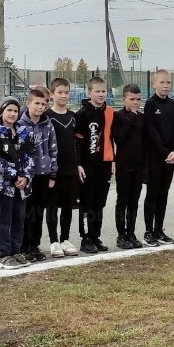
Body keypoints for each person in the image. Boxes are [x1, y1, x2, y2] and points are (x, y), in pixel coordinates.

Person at [0, 97, 34, 269]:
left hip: (22, 186)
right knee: (5, 220)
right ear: (2, 112)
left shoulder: (24, 132)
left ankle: (16, 251)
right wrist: (14, 176)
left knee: (19, 219)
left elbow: (30, 156)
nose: (12, 113)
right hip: (5, 186)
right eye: (9, 110)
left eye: (15, 111)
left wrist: (26, 177)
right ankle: (4, 255)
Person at [18, 88, 58, 262]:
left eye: (43, 104)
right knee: (25, 212)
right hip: (27, 176)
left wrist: (52, 174)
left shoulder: (48, 125)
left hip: (43, 174)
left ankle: (34, 245)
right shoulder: (20, 125)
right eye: (37, 103)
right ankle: (23, 246)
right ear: (28, 104)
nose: (40, 107)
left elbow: (53, 149)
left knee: (38, 212)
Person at [75, 76, 114, 254]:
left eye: (103, 91)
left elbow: (112, 139)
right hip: (87, 166)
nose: (100, 94)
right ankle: (86, 238)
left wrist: (113, 160)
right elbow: (77, 143)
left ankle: (95, 235)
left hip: (104, 165)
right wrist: (79, 164)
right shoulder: (82, 115)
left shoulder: (110, 112)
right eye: (97, 91)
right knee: (87, 202)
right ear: (89, 92)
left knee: (100, 202)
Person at [143, 69, 174, 247]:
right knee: (153, 194)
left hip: (170, 158)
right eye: (162, 82)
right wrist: (164, 152)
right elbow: (151, 131)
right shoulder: (150, 104)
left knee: (163, 195)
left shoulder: (173, 105)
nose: (165, 86)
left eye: (168, 83)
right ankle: (148, 231)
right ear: (154, 84)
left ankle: (159, 229)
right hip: (155, 157)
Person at [45, 77, 79, 258]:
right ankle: (54, 241)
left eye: (66, 92)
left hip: (70, 169)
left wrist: (78, 164)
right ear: (52, 94)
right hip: (53, 171)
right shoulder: (47, 117)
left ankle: (65, 239)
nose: (64, 96)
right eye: (60, 92)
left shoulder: (73, 117)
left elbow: (78, 144)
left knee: (67, 207)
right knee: (52, 206)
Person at [113, 84, 145, 250]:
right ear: (124, 99)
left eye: (138, 99)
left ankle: (131, 233)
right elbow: (119, 138)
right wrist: (131, 118)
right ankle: (121, 234)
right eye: (132, 99)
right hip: (124, 165)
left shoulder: (142, 117)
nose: (135, 102)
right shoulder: (118, 116)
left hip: (138, 165)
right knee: (122, 200)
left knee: (134, 201)